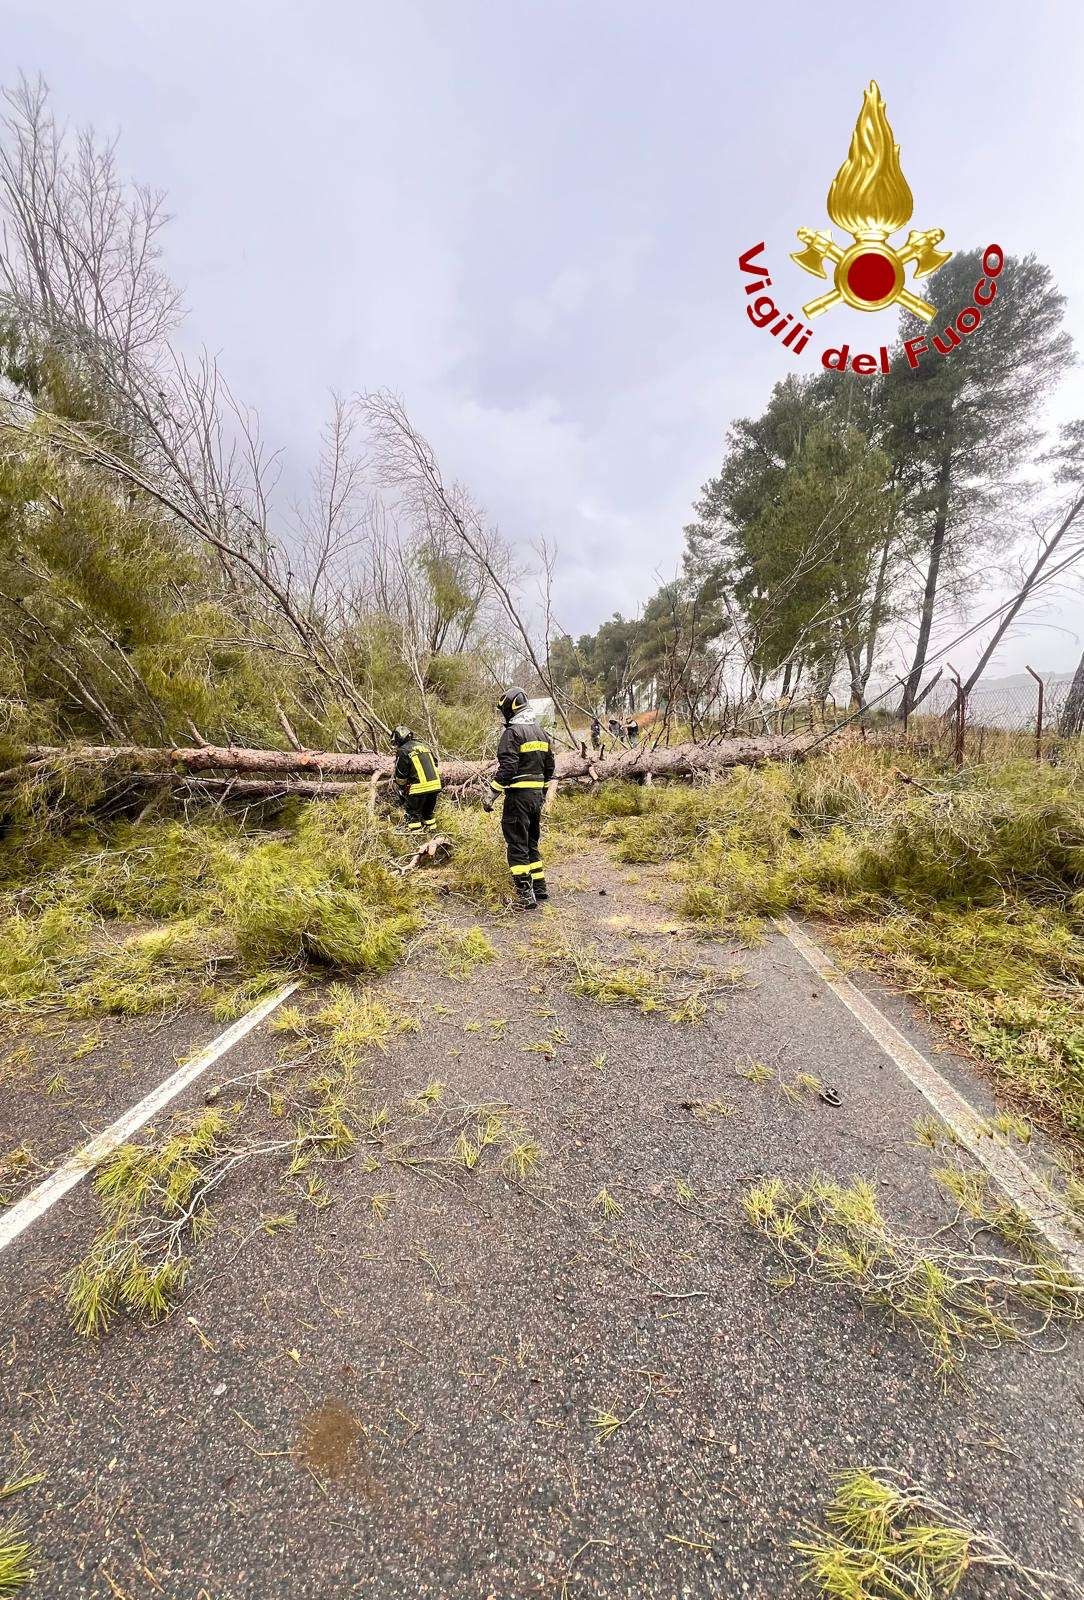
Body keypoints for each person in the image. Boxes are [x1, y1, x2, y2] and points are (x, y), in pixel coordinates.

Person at [482, 688, 555, 908]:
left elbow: (508, 767)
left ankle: (524, 895)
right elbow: (549, 767)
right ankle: (540, 888)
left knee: (517, 844)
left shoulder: (512, 733)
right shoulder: (541, 732)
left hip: (518, 799)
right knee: (531, 843)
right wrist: (541, 793)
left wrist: (491, 793)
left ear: (509, 708)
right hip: (535, 798)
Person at [391, 726, 441, 834]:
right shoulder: (424, 746)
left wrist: (401, 789)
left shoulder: (403, 751)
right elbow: (435, 764)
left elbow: (400, 775)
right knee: (428, 814)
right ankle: (432, 835)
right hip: (435, 786)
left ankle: (415, 838)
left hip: (418, 788)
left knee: (412, 814)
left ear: (398, 739)